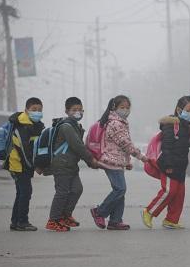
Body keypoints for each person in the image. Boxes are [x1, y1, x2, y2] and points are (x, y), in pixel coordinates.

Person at [142, 96, 190, 229]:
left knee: (179, 194)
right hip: (169, 165)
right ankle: (149, 211)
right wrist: (168, 165)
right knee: (169, 191)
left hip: (181, 166)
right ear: (179, 110)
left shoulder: (187, 128)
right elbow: (166, 146)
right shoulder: (170, 124)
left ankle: (171, 220)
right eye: (188, 110)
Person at [90, 95, 147, 231]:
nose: (125, 110)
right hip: (110, 161)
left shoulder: (120, 122)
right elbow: (125, 144)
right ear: (114, 108)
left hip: (117, 161)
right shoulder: (116, 123)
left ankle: (115, 220)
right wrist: (141, 156)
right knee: (120, 189)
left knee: (120, 191)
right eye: (122, 107)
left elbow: (122, 147)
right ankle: (99, 212)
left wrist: (127, 162)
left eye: (127, 108)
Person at [45, 97, 98, 232]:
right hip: (61, 164)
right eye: (74, 110)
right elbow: (78, 146)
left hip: (71, 165)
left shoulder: (76, 126)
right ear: (67, 111)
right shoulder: (66, 127)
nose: (78, 112)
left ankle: (65, 216)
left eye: (80, 110)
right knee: (62, 192)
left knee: (77, 190)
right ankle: (53, 220)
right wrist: (90, 160)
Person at [8, 97, 45, 231]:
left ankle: (15, 221)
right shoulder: (22, 125)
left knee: (21, 192)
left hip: (24, 164)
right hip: (18, 164)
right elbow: (24, 150)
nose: (37, 112)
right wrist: (34, 166)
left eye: (40, 110)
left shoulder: (35, 125)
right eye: (34, 109)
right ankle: (22, 222)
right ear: (26, 110)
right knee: (26, 192)